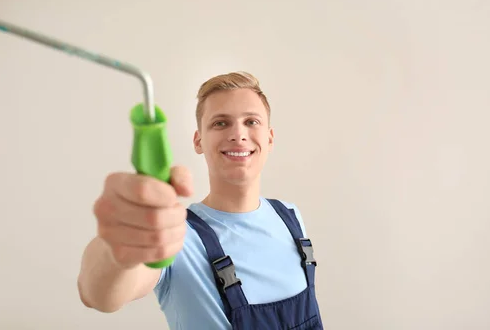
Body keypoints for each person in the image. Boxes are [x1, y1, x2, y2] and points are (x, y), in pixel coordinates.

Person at [77, 71, 322, 329]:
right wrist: (119, 245)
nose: (238, 134)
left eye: (251, 121)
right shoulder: (175, 236)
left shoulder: (290, 217)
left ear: (269, 138)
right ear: (198, 141)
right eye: (220, 123)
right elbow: (98, 295)